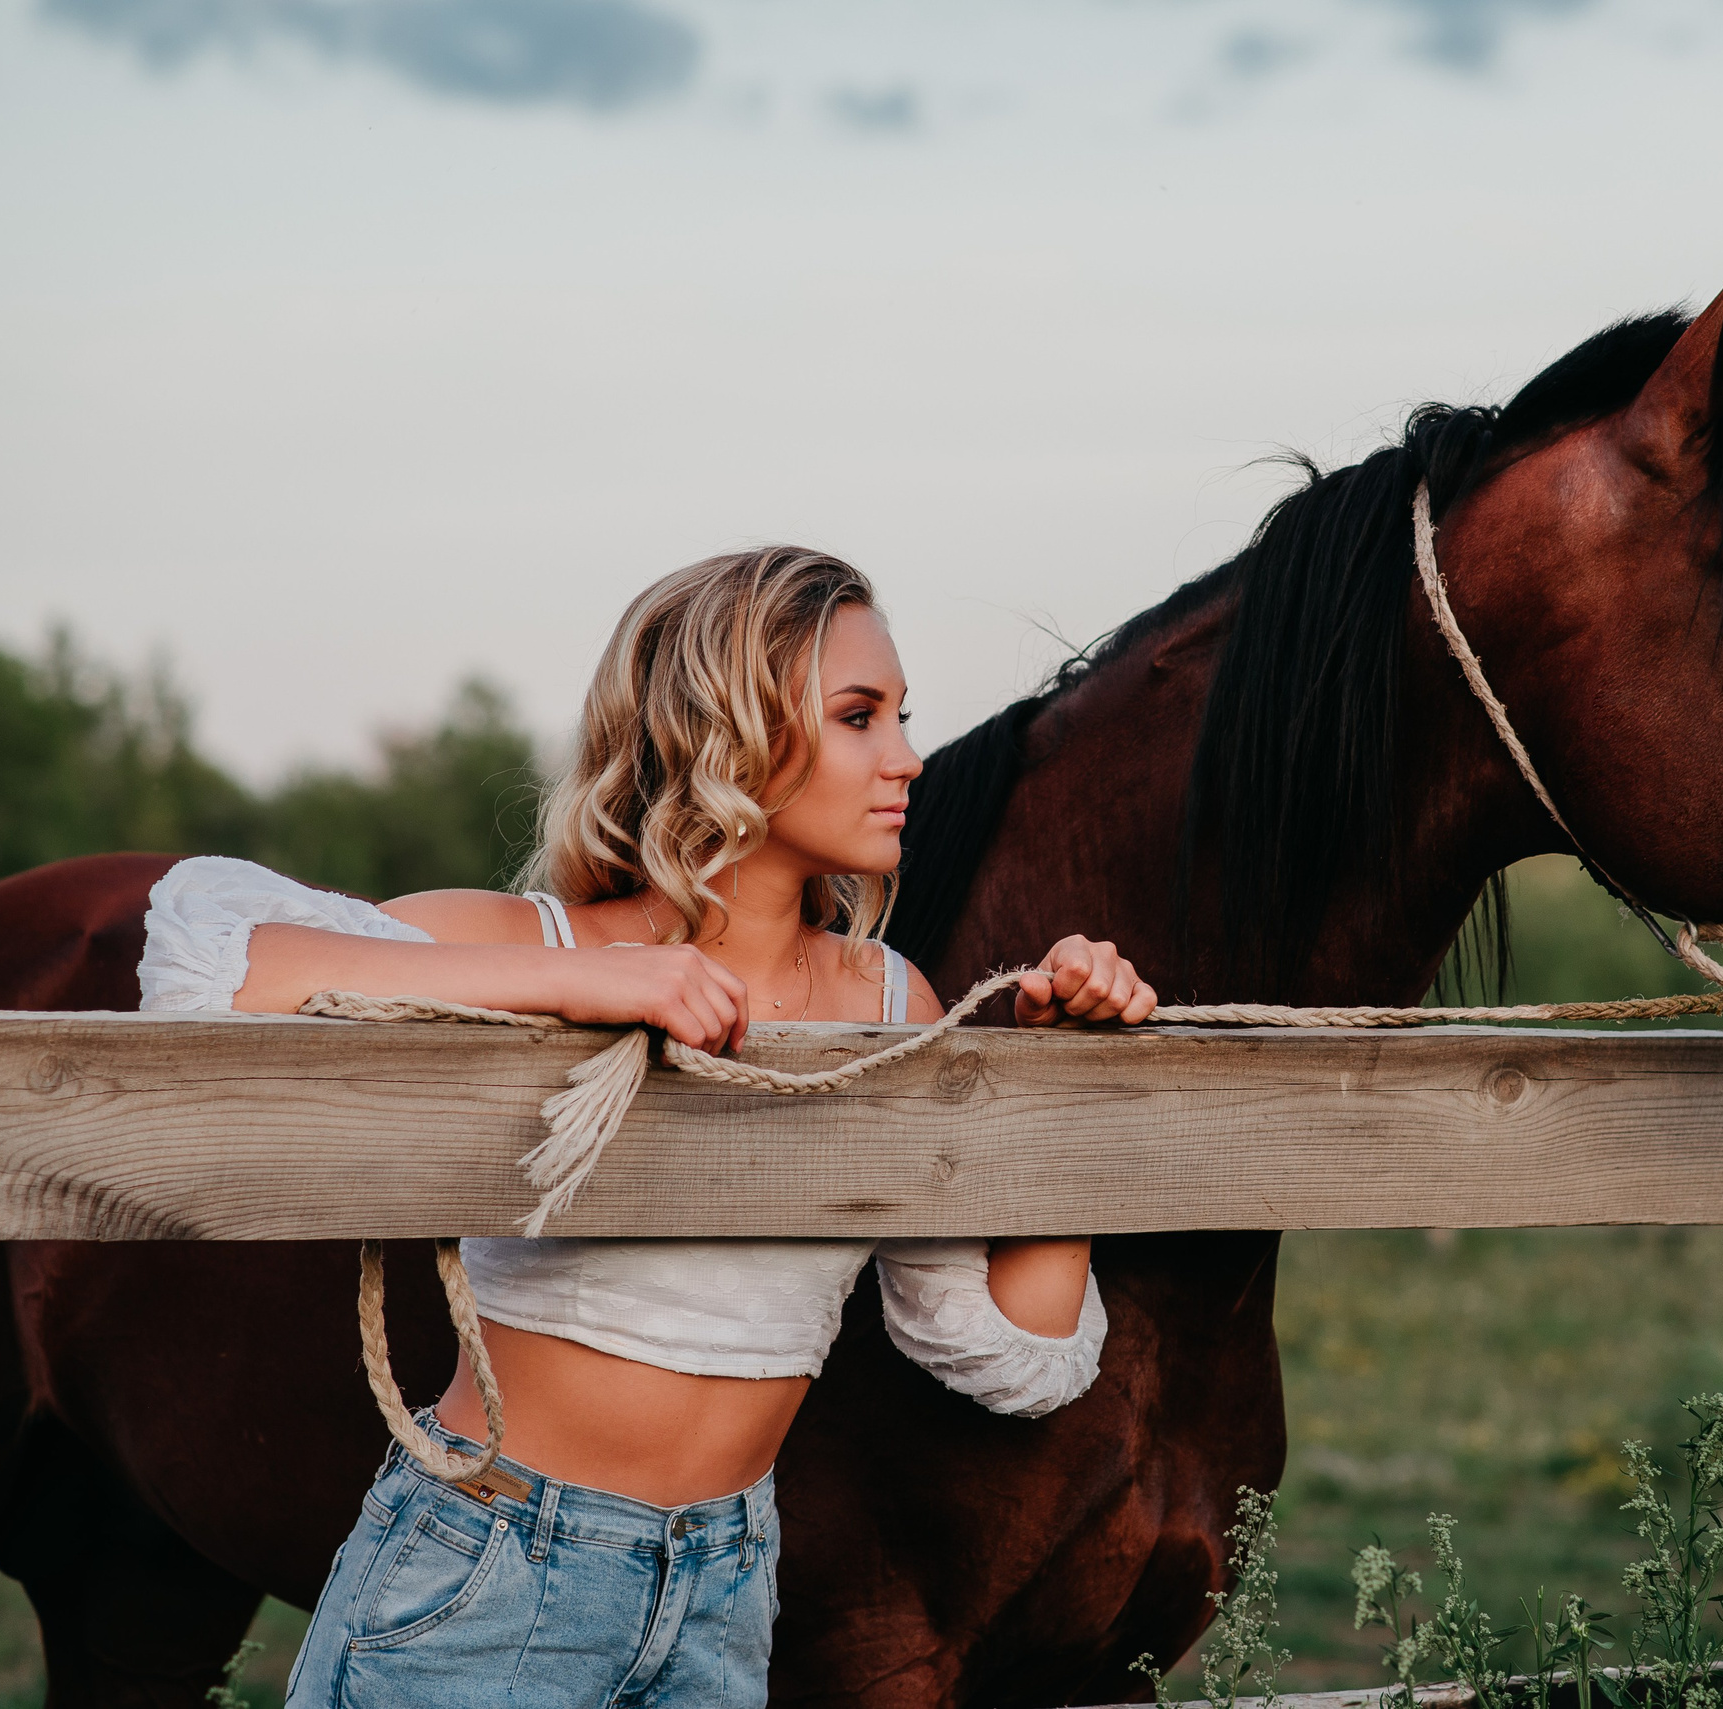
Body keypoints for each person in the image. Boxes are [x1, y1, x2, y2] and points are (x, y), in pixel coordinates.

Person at [136, 547, 1154, 1707]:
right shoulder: (547, 944)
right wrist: (585, 988)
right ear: (728, 733)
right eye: (859, 717)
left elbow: (1005, 1352)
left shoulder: (893, 1000)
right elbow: (215, 962)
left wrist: (1063, 1078)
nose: (908, 757)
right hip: (492, 1571)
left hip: (725, 1591)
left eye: (901, 717)